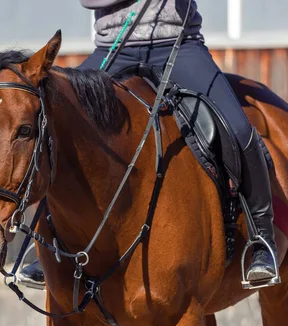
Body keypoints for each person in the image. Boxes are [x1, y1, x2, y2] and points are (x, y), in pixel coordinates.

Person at [18, 0, 278, 289]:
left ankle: (261, 241)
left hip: (178, 46)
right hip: (114, 46)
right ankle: (47, 250)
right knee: (58, 124)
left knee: (240, 129)